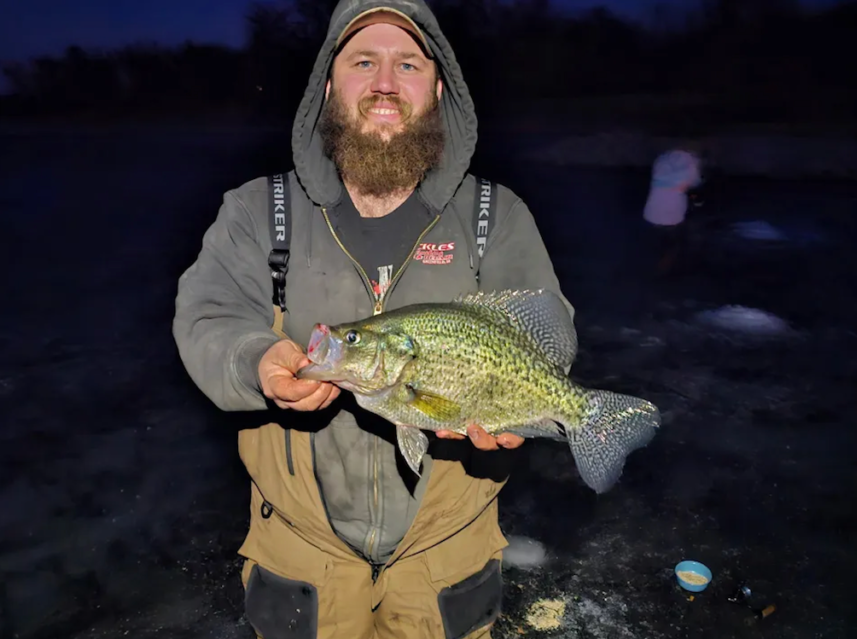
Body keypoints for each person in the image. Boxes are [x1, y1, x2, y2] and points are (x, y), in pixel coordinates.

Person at [172, 2, 574, 637]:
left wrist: (524, 405)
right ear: (329, 87)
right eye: (363, 61)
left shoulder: (498, 216)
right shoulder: (258, 211)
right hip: (300, 549)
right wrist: (255, 359)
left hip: (451, 549)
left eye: (407, 64)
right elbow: (208, 315)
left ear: (438, 90)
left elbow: (545, 329)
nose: (385, 82)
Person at [642, 144, 705, 275]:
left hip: (651, 212)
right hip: (672, 215)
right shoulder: (691, 165)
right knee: (673, 243)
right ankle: (665, 269)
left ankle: (653, 267)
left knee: (656, 243)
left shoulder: (661, 161)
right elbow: (695, 184)